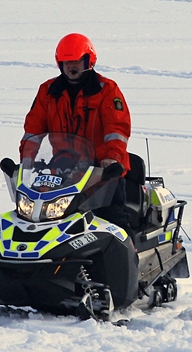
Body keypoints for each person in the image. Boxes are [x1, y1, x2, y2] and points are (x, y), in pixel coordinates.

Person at [20, 33, 133, 231]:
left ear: (89, 60)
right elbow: (33, 129)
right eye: (67, 62)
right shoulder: (48, 91)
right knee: (37, 217)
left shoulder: (107, 90)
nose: (72, 66)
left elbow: (117, 129)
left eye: (77, 61)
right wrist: (26, 161)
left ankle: (129, 255)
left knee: (113, 221)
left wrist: (112, 158)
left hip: (102, 173)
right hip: (62, 171)